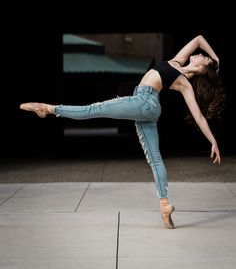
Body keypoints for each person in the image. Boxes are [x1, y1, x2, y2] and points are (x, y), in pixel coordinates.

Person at [20, 35, 225, 229]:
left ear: (202, 68)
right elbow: (198, 39)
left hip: (143, 101)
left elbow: (198, 116)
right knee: (155, 158)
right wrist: (215, 56)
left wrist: (212, 140)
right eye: (204, 54)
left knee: (93, 109)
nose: (201, 54)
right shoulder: (178, 61)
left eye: (204, 57)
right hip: (149, 108)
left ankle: (47, 108)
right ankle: (164, 206)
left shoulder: (184, 82)